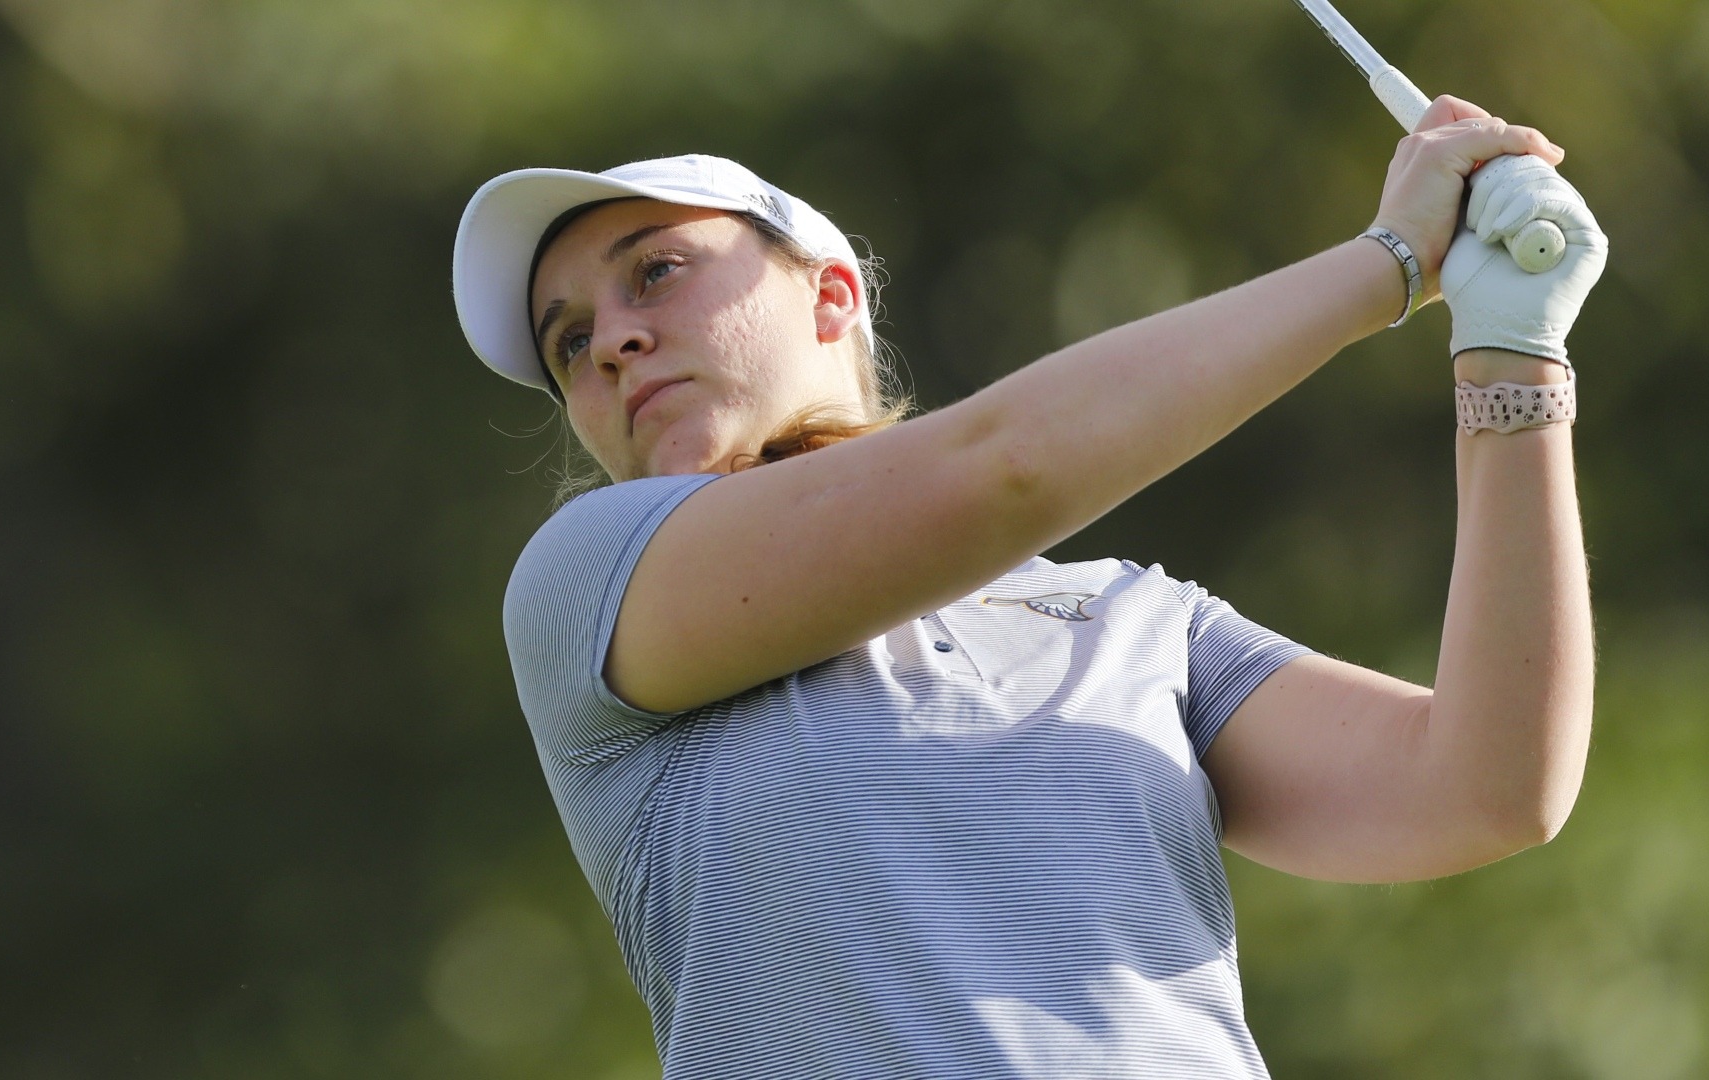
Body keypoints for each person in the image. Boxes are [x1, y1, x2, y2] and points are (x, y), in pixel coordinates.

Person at [451, 95, 1606, 1078]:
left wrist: (1512, 360)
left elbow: (1490, 787)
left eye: (655, 273)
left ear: (832, 297)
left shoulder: (1128, 615)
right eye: (568, 344)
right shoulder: (587, 581)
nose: (609, 343)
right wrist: (1392, 264)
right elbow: (1003, 470)